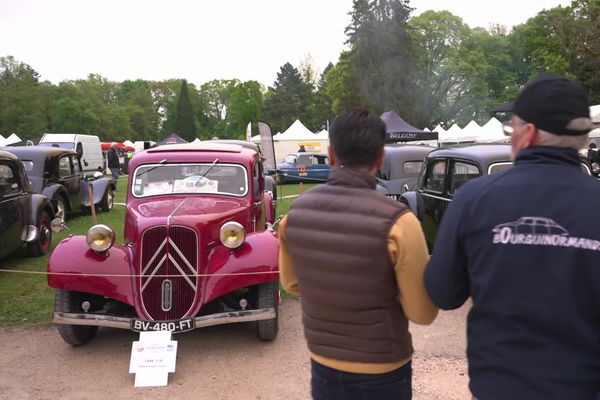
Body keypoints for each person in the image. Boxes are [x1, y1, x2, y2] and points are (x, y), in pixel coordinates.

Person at [424, 74, 600, 399]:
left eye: (512, 127)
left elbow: (442, 293)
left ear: (528, 134)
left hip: (500, 387)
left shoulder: (473, 198)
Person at [279, 108, 438, 400]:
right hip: (383, 369)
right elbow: (422, 313)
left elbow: (291, 284)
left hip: (323, 362)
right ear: (380, 159)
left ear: (331, 155)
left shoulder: (294, 215)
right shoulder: (400, 223)